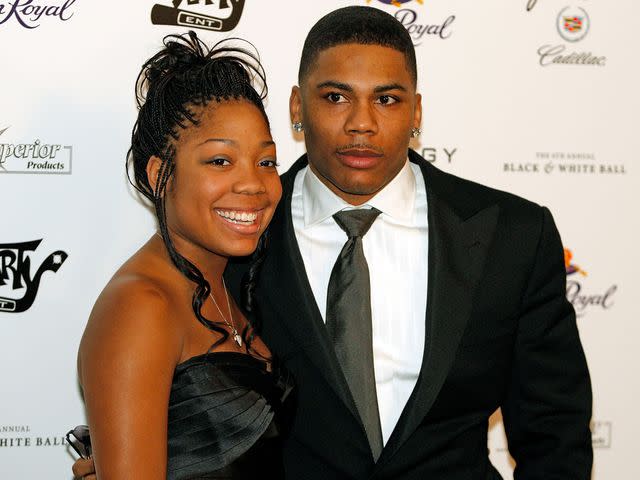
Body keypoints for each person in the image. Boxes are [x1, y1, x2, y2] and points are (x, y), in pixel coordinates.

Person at [73, 6, 592, 479]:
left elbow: (556, 438)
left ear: (416, 112)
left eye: (386, 99)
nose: (361, 124)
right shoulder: (235, 241)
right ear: (298, 106)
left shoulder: (513, 236)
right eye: (336, 96)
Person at [75, 31, 292, 479]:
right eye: (220, 161)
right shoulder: (140, 308)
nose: (253, 184)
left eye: (266, 162)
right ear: (160, 175)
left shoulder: (231, 284)